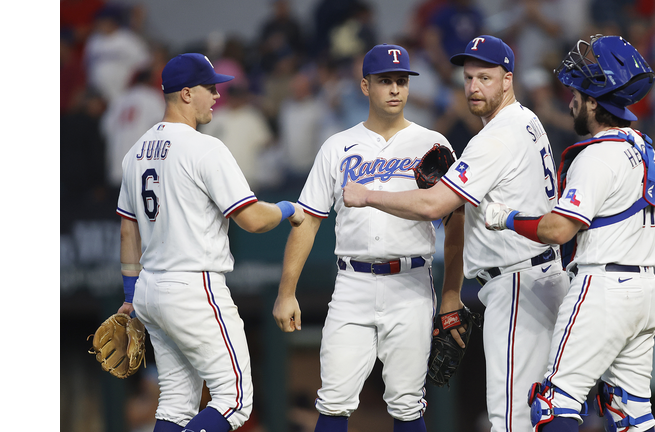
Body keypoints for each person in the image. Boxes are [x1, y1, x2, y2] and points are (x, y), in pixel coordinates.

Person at [342, 35, 569, 432]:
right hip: (541, 277)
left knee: (510, 418)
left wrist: (366, 195)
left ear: (507, 79)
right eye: (468, 78)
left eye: (485, 77)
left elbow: (433, 207)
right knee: (543, 411)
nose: (474, 87)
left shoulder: (494, 137)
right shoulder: (527, 119)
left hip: (518, 284)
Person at [272, 43, 465, 432]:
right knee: (333, 401)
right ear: (365, 86)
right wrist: (286, 291)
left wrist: (450, 293)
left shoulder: (434, 144)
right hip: (352, 283)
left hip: (411, 281)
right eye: (384, 81)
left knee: (408, 404)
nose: (395, 89)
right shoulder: (337, 146)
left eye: (401, 81)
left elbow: (457, 224)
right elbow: (307, 221)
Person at [482, 35, 655, 432]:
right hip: (647, 292)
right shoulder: (651, 154)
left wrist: (506, 218)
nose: (572, 102)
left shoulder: (599, 155)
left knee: (554, 404)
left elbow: (557, 228)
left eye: (578, 96)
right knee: (632, 413)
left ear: (594, 103)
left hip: (603, 287)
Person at [114, 52, 305, 432]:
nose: (217, 95)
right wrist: (287, 208)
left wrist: (129, 295)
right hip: (193, 286)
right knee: (235, 401)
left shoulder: (134, 153)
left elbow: (127, 231)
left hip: (151, 289)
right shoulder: (206, 148)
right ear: (186, 93)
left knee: (173, 405)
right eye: (210, 88)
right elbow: (250, 219)